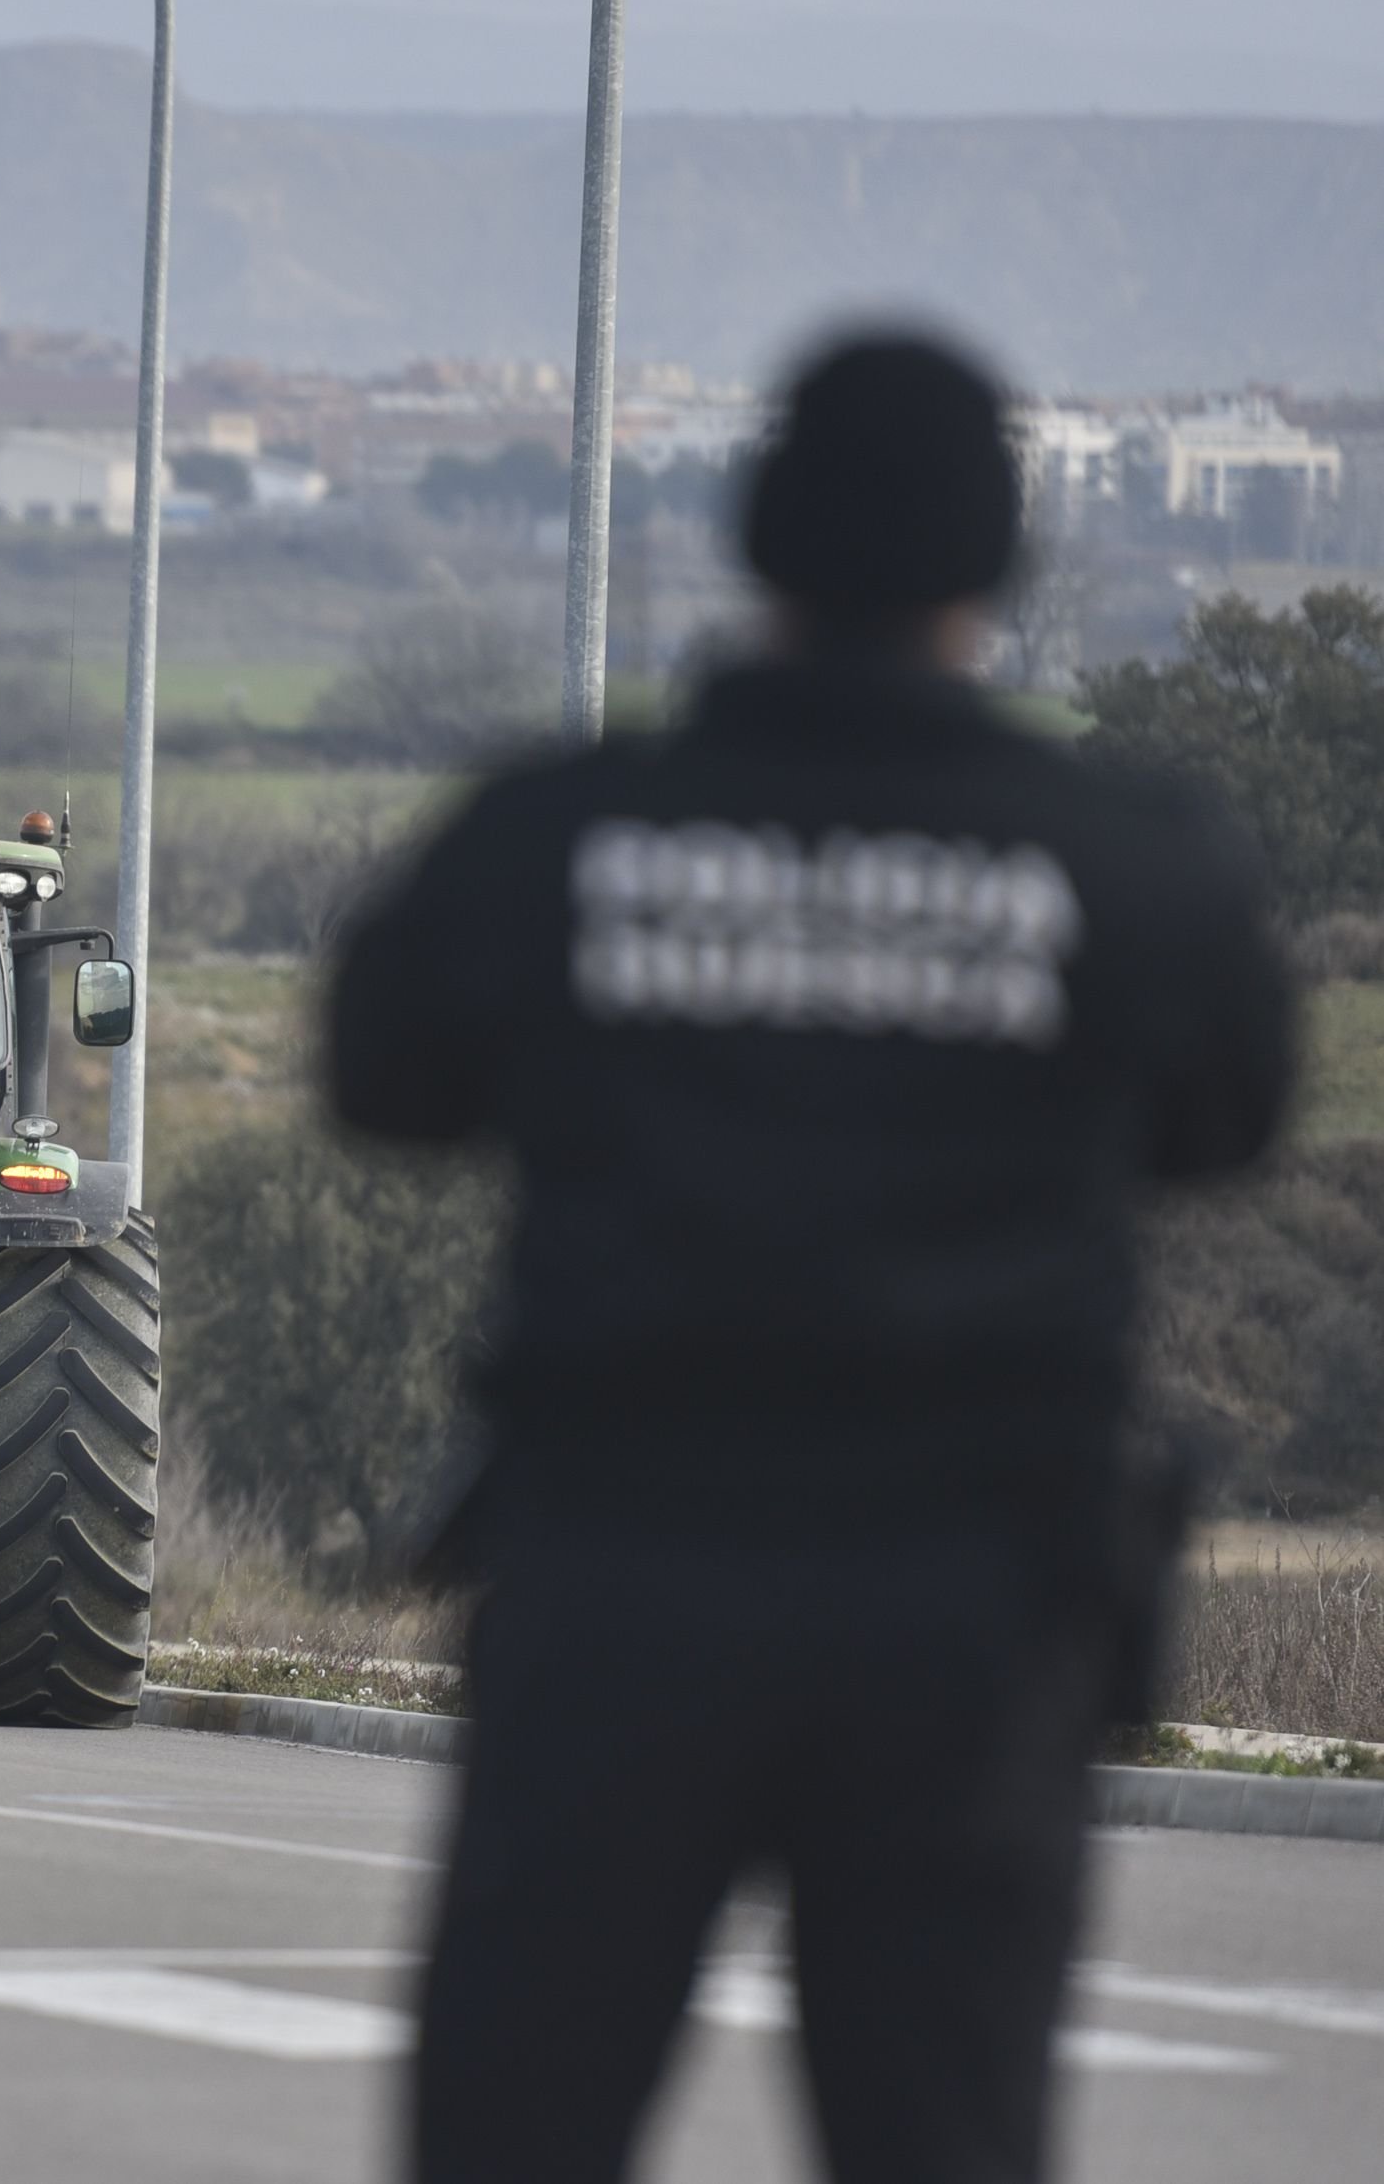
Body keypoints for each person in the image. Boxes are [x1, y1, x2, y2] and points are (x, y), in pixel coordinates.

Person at [326, 331, 1292, 2184]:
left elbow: (386, 1079)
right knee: (944, 2133)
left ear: (754, 540)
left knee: (512, 2128)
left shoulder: (565, 834)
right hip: (973, 1605)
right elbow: (1226, 1117)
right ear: (992, 570)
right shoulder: (1123, 860)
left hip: (619, 1576)